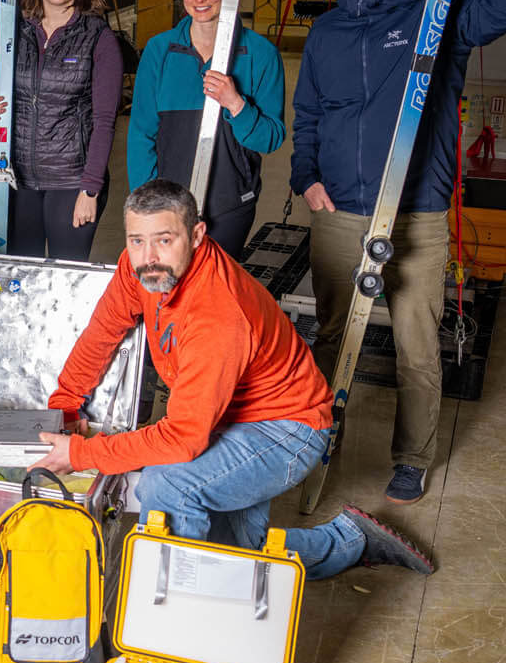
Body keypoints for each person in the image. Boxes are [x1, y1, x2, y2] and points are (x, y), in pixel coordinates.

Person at [29, 180, 435, 581]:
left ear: (197, 234)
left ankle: (179, 614)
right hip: (227, 416)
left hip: (286, 430)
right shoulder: (140, 268)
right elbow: (103, 332)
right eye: (137, 240)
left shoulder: (216, 313)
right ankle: (349, 541)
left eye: (164, 240)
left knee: (169, 487)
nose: (148, 257)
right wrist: (64, 407)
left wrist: (82, 454)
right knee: (238, 554)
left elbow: (183, 439)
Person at [291, 0, 506, 505]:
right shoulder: (326, 31)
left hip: (417, 213)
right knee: (330, 337)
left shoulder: (441, 16)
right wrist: (305, 178)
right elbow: (310, 113)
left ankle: (412, 456)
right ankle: (318, 437)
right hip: (339, 210)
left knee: (416, 346)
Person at [127, 0, 287, 259]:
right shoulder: (161, 50)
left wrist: (236, 103)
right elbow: (141, 132)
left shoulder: (260, 54)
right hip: (167, 205)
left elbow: (270, 139)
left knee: (215, 298)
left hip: (230, 205)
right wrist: (147, 198)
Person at [0, 0, 122, 261]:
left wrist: (90, 189)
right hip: (18, 180)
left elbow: (103, 122)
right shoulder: (12, 32)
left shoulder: (98, 39)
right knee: (20, 280)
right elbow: (4, 97)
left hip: (72, 182)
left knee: (64, 282)